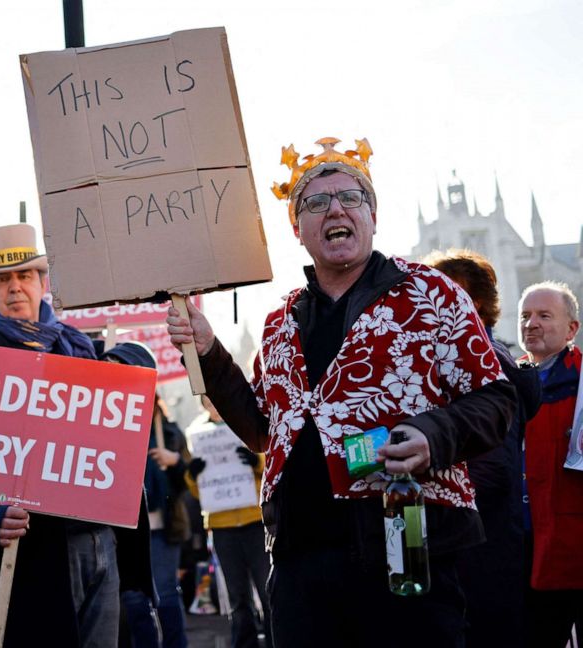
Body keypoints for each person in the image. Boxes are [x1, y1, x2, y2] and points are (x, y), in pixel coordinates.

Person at [166, 137, 516, 647]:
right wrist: (209, 352)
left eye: (351, 197)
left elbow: (496, 398)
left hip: (405, 551)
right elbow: (264, 430)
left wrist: (432, 434)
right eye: (316, 202)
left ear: (372, 215)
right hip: (299, 566)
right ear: (297, 228)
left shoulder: (431, 294)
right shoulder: (279, 320)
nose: (336, 209)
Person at [0, 223, 126, 647]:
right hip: (34, 548)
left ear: (42, 283)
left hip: (102, 536)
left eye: (24, 276)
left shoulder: (81, 350)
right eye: (2, 279)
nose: (14, 287)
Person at [424, 249, 541, 647]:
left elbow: (491, 471)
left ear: (469, 305)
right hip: (470, 548)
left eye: (436, 297)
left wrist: (418, 474)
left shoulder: (487, 365)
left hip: (480, 552)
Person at [102, 341, 190, 648]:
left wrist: (175, 461)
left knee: (165, 597)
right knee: (134, 602)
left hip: (161, 529)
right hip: (124, 532)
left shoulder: (169, 431)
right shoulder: (104, 426)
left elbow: (191, 483)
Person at [517, 281, 582, 647]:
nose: (531, 324)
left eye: (544, 315)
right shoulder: (508, 379)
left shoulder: (580, 381)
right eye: (525, 316)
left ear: (572, 328)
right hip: (524, 544)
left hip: (571, 545)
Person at [185, 397, 272, 648]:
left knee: (267, 590)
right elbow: (196, 489)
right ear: (202, 405)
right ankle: (245, 643)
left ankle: (275, 639)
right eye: (208, 403)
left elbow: (269, 467)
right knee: (237, 595)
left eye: (216, 400)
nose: (214, 406)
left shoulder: (245, 423)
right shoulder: (197, 434)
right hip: (221, 525)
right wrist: (193, 476)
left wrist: (256, 462)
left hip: (254, 519)